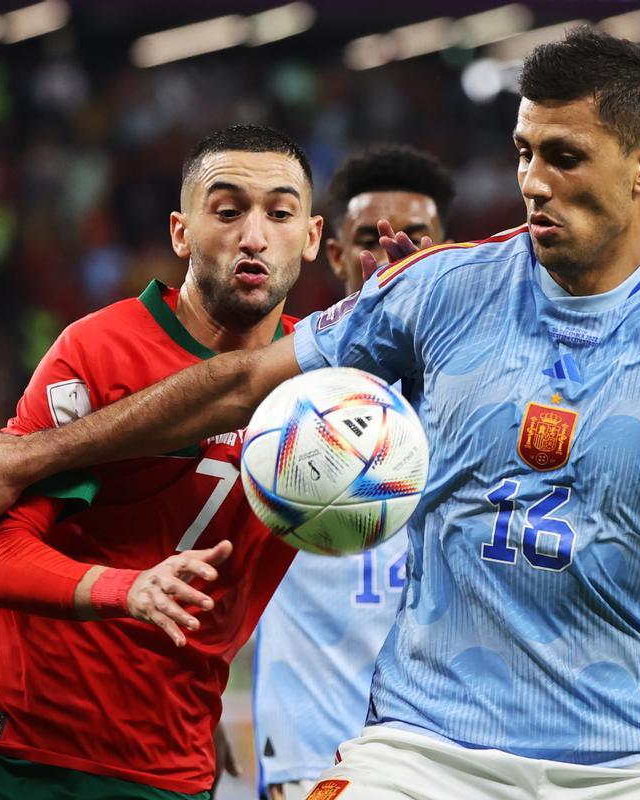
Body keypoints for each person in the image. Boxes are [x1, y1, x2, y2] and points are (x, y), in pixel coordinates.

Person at [0, 28, 640, 798]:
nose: (535, 180)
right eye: (524, 151)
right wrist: (33, 457)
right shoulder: (441, 289)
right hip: (428, 749)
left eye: (567, 157)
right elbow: (244, 380)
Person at [0, 124, 323, 799]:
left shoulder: (328, 396)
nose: (254, 235)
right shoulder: (100, 352)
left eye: (279, 213)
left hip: (165, 766)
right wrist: (125, 589)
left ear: (310, 237)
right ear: (180, 232)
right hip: (9, 751)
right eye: (227, 211)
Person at [252, 144, 454, 800]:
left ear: (449, 252)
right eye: (368, 238)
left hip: (452, 754)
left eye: (416, 238)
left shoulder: (481, 394)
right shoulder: (281, 396)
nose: (390, 252)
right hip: (316, 751)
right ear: (334, 254)